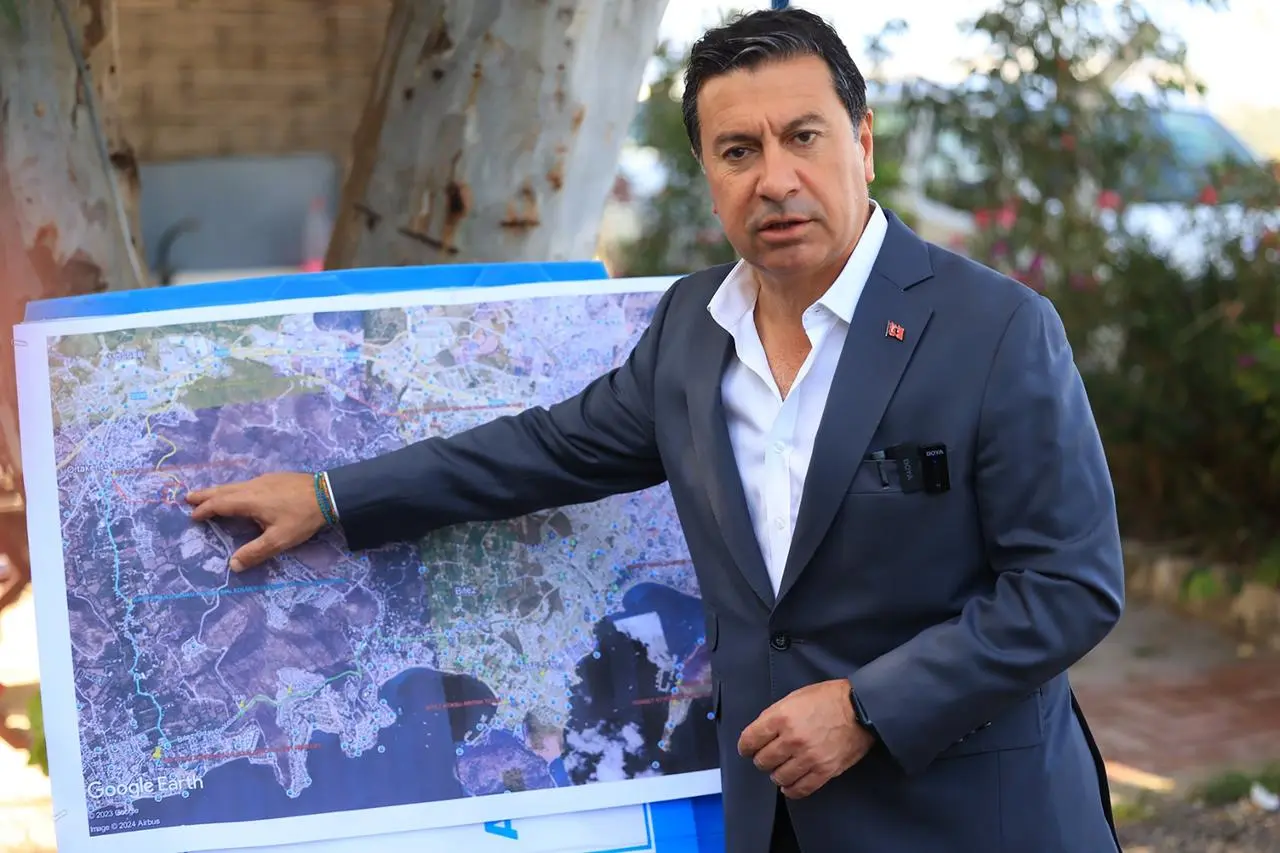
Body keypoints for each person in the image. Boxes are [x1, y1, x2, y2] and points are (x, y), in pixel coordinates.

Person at [187, 8, 1124, 853]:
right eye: (738, 150)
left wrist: (867, 707)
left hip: (974, 814)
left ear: (864, 141)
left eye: (803, 137)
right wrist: (330, 496)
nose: (776, 179)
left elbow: (1070, 585)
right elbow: (543, 450)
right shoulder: (691, 328)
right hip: (780, 820)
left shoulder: (995, 328)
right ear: (709, 176)